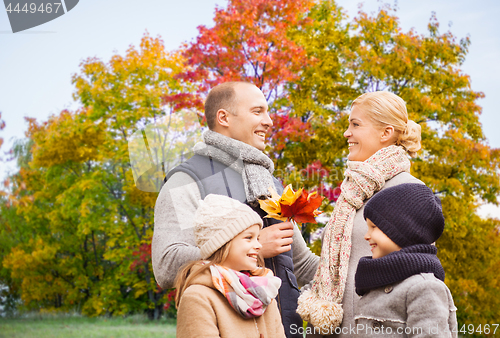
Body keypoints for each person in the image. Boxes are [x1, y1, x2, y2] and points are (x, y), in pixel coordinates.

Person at [152, 81, 319, 338]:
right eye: (257, 111)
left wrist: (367, 270)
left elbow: (303, 264)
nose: (269, 121)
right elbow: (166, 264)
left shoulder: (271, 184)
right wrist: (252, 247)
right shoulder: (186, 181)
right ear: (224, 117)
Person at [297, 91, 424, 337]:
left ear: (385, 133)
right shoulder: (353, 193)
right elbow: (336, 273)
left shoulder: (409, 191)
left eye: (355, 124)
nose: (347, 133)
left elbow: (420, 279)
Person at [354, 183, 458, 337]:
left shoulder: (424, 287)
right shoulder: (377, 282)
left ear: (402, 230)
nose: (366, 235)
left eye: (374, 226)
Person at [175, 194, 286, 338]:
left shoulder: (263, 292)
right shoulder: (197, 298)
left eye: (257, 238)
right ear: (223, 243)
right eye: (248, 238)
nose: (259, 245)